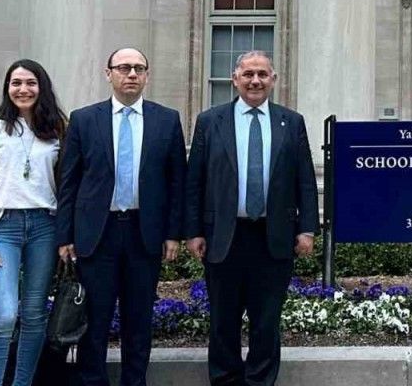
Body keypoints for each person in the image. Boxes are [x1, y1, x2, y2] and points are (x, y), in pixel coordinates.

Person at [185, 51, 318, 386]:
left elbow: (304, 178)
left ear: (273, 79)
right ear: (235, 79)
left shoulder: (291, 122)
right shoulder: (210, 121)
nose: (255, 81)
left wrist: (307, 229)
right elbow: (195, 181)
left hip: (273, 237)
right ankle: (226, 380)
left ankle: (261, 381)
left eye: (262, 74)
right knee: (223, 321)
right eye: (248, 74)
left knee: (266, 321)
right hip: (224, 237)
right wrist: (193, 231)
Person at [56, 47, 187, 386]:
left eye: (139, 68)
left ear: (147, 75)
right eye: (124, 67)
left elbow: (177, 182)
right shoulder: (84, 119)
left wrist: (173, 234)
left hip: (145, 233)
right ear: (108, 73)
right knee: (94, 321)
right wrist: (65, 236)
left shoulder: (167, 119)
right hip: (97, 235)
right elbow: (69, 182)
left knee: (138, 320)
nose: (131, 74)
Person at [0, 59, 67, 386]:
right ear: (7, 88)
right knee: (5, 315)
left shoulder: (59, 128)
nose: (23, 89)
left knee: (35, 314)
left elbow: (68, 185)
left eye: (30, 83)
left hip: (45, 226)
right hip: (2, 228)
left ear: (42, 88)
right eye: (16, 83)